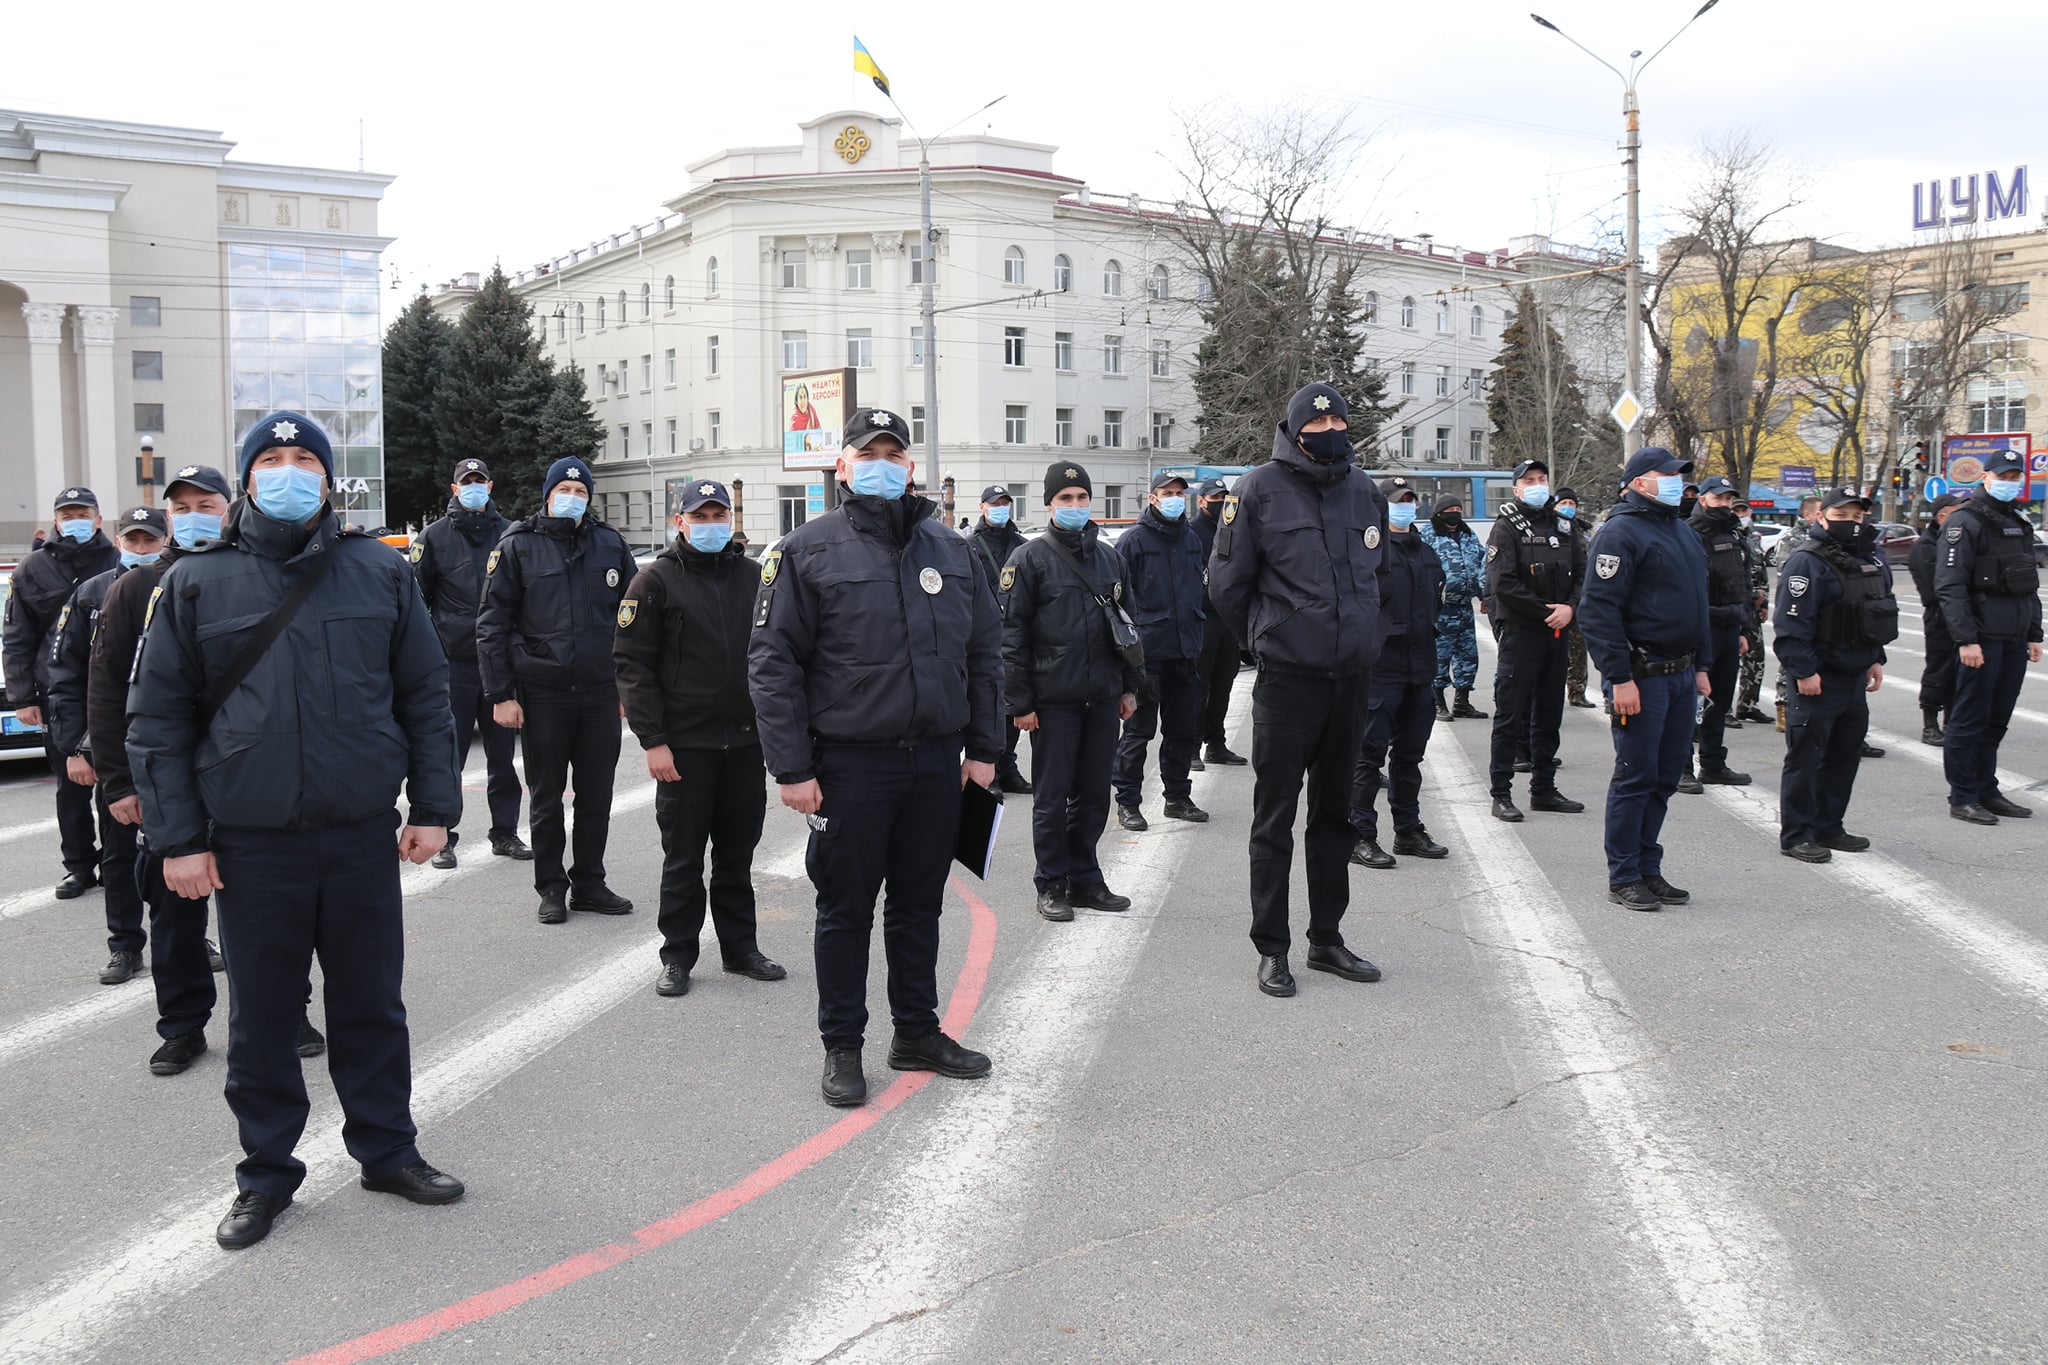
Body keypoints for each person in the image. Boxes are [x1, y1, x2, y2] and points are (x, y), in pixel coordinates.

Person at [127, 411, 464, 1251]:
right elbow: (157, 718)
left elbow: (425, 694)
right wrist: (178, 839)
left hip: (357, 836)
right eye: (271, 460)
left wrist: (432, 808)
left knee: (372, 1007)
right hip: (250, 843)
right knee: (264, 1018)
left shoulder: (378, 573)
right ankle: (266, 1176)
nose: (288, 472)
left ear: (327, 477)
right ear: (246, 480)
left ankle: (388, 1150)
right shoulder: (197, 583)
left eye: (303, 458)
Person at [748, 406, 1004, 1107]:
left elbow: (985, 654)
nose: (883, 463)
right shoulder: (804, 550)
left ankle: (917, 1031)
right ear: (843, 465)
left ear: (911, 467)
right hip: (849, 768)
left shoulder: (953, 550)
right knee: (846, 911)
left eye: (894, 452)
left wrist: (985, 750)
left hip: (935, 764)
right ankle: (843, 1046)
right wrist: (791, 766)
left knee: (920, 906)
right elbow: (773, 664)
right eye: (869, 452)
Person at [86, 467, 287, 1077]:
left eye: (207, 504)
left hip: (248, 775)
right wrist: (119, 782)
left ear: (231, 508)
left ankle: (288, 1012)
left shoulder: (259, 575)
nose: (195, 515)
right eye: (182, 508)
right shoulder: (133, 589)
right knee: (174, 918)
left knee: (270, 912)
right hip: (167, 780)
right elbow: (108, 691)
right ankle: (182, 1026)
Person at [1209, 382, 1387, 997]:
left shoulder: (1365, 491)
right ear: (1295, 430)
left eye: (1339, 418)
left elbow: (1377, 574)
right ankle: (1272, 947)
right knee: (1275, 815)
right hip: (1289, 680)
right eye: (1318, 422)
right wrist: (1268, 640)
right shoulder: (1258, 489)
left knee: (1335, 815)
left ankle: (1327, 939)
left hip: (1351, 679)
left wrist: (1363, 636)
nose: (1330, 429)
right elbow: (1228, 586)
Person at [615, 480, 785, 997]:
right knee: (684, 859)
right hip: (685, 748)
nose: (711, 524)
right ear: (680, 521)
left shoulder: (755, 577)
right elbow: (632, 665)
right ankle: (678, 955)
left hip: (745, 743)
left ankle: (739, 949)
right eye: (701, 515)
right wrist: (652, 739)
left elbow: (775, 654)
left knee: (737, 857)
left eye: (719, 515)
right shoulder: (654, 582)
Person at [477, 457, 639, 924]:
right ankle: (551, 886)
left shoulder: (609, 544)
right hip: (543, 692)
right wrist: (501, 694)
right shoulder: (517, 546)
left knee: (596, 795)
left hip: (599, 691)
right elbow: (492, 623)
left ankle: (589, 882)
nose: (572, 496)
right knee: (547, 797)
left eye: (581, 490)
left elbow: (633, 620)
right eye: (564, 488)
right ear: (547, 495)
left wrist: (632, 687)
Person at [1003, 462, 1144, 920]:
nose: (1076, 506)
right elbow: (1011, 637)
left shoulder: (1110, 557)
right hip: (1053, 702)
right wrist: (1020, 703)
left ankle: (1086, 878)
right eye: (1066, 499)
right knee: (1052, 796)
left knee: (1094, 794)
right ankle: (1051, 883)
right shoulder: (1028, 560)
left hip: (1102, 697)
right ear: (1049, 504)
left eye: (1082, 497)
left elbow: (1127, 628)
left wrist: (1128, 689)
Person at [1576, 447, 1713, 913]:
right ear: (1638, 482)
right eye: (1666, 474)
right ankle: (1625, 875)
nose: (1676, 481)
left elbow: (1699, 605)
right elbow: (1598, 611)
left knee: (1664, 776)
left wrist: (1702, 666)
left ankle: (1649, 867)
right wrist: (1619, 677)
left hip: (1680, 674)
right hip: (1642, 675)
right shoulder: (1619, 532)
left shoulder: (1681, 530)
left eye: (1678, 475)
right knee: (1635, 777)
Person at [45, 506, 167, 985]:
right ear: (118, 539)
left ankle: (189, 934)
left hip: (171, 745)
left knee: (182, 847)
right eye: (132, 540)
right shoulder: (91, 593)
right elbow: (69, 676)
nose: (140, 549)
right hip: (115, 748)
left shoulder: (180, 582)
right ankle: (124, 944)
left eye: (149, 541)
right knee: (119, 853)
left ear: (164, 539)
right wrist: (77, 748)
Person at [409, 458, 531, 869]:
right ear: (455, 488)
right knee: (450, 755)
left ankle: (505, 832)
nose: (474, 488)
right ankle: (444, 834)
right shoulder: (434, 537)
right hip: (455, 663)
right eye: (467, 482)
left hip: (500, 662)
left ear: (491, 486)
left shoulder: (510, 533)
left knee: (502, 756)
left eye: (480, 481)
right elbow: (417, 600)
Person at [3, 485, 120, 897]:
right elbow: (17, 634)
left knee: (114, 784)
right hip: (58, 692)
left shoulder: (119, 557)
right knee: (70, 789)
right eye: (67, 514)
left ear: (99, 518)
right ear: (55, 520)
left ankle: (114, 861)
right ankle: (78, 866)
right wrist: (23, 697)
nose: (75, 520)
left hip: (112, 690)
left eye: (82, 513)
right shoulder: (31, 568)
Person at [1771, 487, 1895, 861]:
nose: (1852, 524)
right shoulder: (1806, 562)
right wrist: (1804, 671)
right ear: (1821, 517)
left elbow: (1874, 612)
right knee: (1806, 759)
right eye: (1842, 517)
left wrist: (1875, 658)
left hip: (1855, 674)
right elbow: (1791, 626)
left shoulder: (1870, 559)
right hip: (1818, 678)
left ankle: (1829, 826)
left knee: (1844, 757)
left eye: (1858, 517)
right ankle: (1796, 835)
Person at [1934, 449, 2044, 824]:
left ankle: (1986, 789)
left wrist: (2034, 633)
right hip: (1980, 637)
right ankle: (1962, 795)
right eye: (2003, 476)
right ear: (1985, 477)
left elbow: (2028, 583)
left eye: (2015, 477)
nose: (2009, 483)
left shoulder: (2017, 521)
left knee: (1996, 719)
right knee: (1968, 719)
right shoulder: (1965, 522)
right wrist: (1966, 639)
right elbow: (1950, 586)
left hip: (2012, 637)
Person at [1351, 477, 1449, 869]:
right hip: (1381, 670)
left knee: (1409, 757)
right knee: (1367, 758)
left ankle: (1408, 830)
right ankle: (1359, 835)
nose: (1405, 506)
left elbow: (1435, 606)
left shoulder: (1426, 553)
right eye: (1397, 501)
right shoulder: (1368, 554)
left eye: (1410, 500)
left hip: (1420, 669)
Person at [1484, 459, 1586, 822]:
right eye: (1529, 480)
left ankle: (1544, 788)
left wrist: (1570, 608)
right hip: (1522, 634)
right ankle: (1501, 793)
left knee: (1548, 714)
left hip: (1557, 635)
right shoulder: (1506, 528)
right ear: (1516, 488)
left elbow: (1581, 574)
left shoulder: (1565, 525)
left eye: (1542, 478)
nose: (1538, 484)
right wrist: (1548, 612)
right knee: (1510, 716)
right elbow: (1504, 585)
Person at [1113, 470, 1208, 831]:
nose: (1174, 498)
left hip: (1185, 653)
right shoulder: (1133, 542)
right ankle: (1128, 801)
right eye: (1166, 492)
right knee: (1139, 733)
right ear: (1152, 498)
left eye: (1179, 493)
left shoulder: (1192, 539)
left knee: (1182, 731)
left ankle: (1178, 797)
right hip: (1147, 659)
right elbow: (1118, 605)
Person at [1684, 474, 1755, 788]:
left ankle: (1713, 764)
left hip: (1729, 627)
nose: (1724, 505)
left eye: (1728, 499)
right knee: (1692, 702)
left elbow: (1744, 583)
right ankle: (1682, 766)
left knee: (1720, 701)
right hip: (1702, 626)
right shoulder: (1690, 533)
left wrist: (1745, 629)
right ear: (1703, 500)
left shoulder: (1734, 532)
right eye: (1718, 499)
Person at [964, 485, 1032, 793]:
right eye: (995, 503)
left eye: (1006, 503)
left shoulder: (1021, 545)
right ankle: (987, 767)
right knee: (987, 701)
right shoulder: (969, 546)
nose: (1001, 508)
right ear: (982, 507)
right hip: (983, 634)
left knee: (1014, 703)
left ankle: (1007, 767)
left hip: (1016, 633)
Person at [1188, 479, 1247, 767]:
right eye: (1215, 497)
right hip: (1203, 618)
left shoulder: (1232, 529)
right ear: (1201, 501)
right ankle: (1191, 746)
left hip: (1228, 619)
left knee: (1224, 684)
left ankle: (1216, 743)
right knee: (1199, 685)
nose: (1221, 502)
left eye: (1225, 497)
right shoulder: (1192, 532)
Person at [1418, 493, 1487, 722]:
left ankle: (1462, 702)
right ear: (1439, 512)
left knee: (1468, 655)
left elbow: (1480, 563)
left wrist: (1484, 595)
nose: (1455, 512)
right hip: (1440, 609)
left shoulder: (1468, 534)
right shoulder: (1428, 535)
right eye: (1450, 509)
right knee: (1440, 655)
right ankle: (1437, 702)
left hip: (1465, 606)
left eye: (1458, 508)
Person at [1909, 493, 1964, 745]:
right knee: (1938, 670)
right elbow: (1934, 589)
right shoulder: (1926, 546)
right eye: (1957, 513)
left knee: (1958, 672)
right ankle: (1929, 725)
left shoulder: (1957, 541)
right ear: (1943, 516)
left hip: (1960, 615)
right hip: (1939, 616)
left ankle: (1951, 723)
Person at [1773, 496, 1824, 731]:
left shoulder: (1825, 539)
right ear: (1808, 515)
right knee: (1790, 660)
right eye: (1819, 512)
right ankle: (1784, 707)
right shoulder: (1791, 538)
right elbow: (1788, 573)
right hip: (1796, 604)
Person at [1731, 500, 1773, 725]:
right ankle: (1723, 709)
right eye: (1735, 510)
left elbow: (1762, 573)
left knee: (1755, 658)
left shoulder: (1753, 538)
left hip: (1753, 609)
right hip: (1733, 607)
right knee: (1728, 661)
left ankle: (1748, 705)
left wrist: (1764, 603)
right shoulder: (1725, 534)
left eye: (1743, 510)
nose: (1740, 514)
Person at [1555, 487, 1597, 708]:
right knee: (1555, 652)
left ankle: (1577, 691)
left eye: (1572, 504)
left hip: (1579, 599)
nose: (1568, 508)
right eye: (1564, 504)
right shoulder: (1551, 529)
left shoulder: (1582, 533)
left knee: (1579, 649)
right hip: (1557, 600)